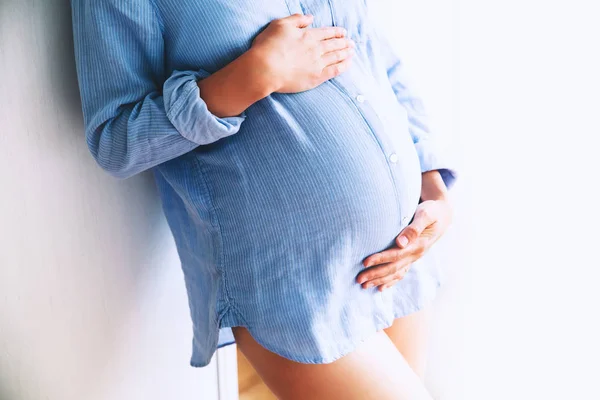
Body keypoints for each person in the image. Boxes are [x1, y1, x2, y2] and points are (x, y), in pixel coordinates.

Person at [71, 0, 457, 398]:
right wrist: (253, 76)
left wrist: (433, 187)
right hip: (295, 285)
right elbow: (115, 139)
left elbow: (376, 53)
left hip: (398, 257)